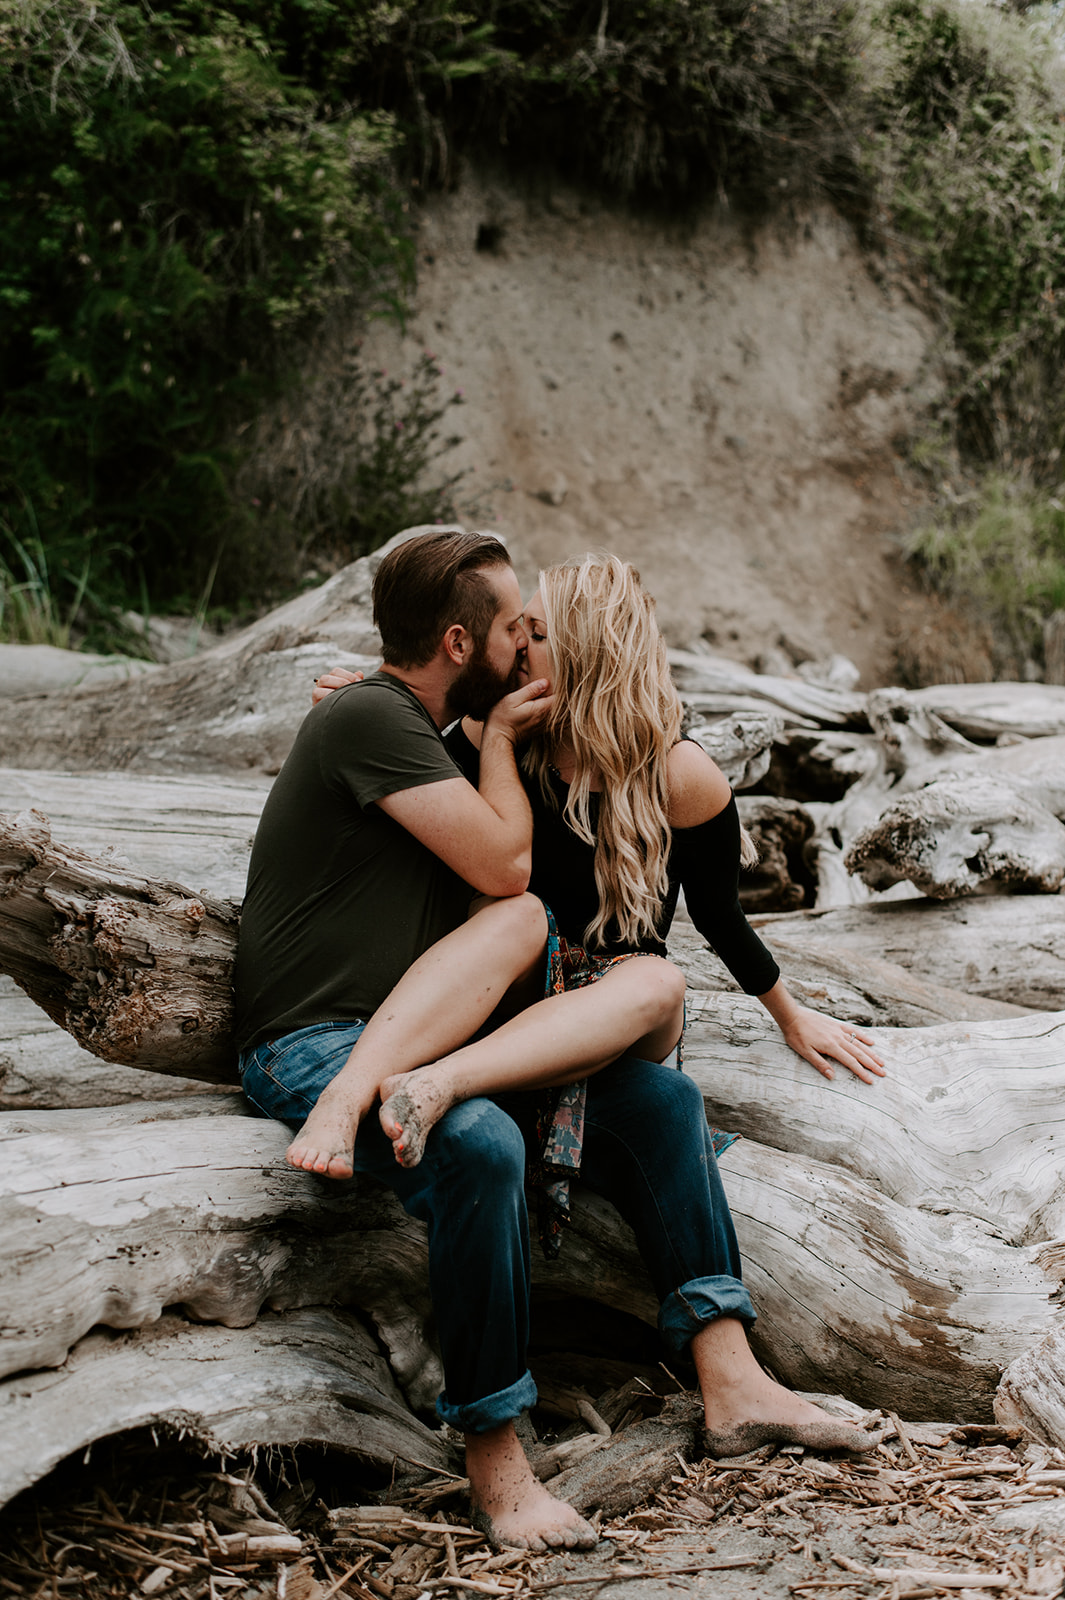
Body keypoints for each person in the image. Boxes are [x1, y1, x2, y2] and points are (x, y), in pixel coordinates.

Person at [248, 535, 887, 1551]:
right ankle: (497, 1464)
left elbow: (720, 913)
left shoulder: (668, 771)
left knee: (663, 1053)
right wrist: (374, 697)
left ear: (581, 652)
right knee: (522, 1126)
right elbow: (432, 750)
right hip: (477, 1026)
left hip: (583, 1019)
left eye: (537, 631)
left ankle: (735, 1382)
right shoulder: (480, 742)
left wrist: (790, 1010)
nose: (521, 644)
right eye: (516, 628)